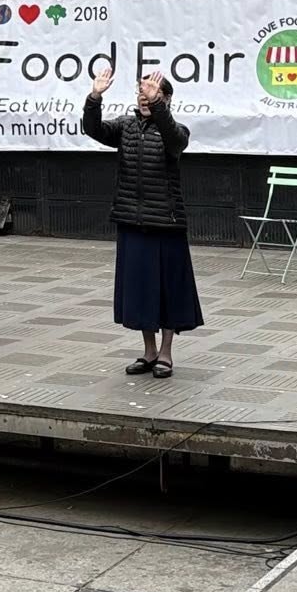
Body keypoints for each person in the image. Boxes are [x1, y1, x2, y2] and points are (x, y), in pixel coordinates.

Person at [83, 64, 202, 378]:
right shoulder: (125, 126)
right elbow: (93, 129)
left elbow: (174, 140)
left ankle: (166, 352)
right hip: (132, 220)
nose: (144, 96)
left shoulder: (176, 131)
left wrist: (158, 105)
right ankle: (149, 351)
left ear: (166, 99)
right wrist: (95, 97)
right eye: (141, 91)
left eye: (152, 92)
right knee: (140, 290)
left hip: (166, 222)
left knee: (168, 289)